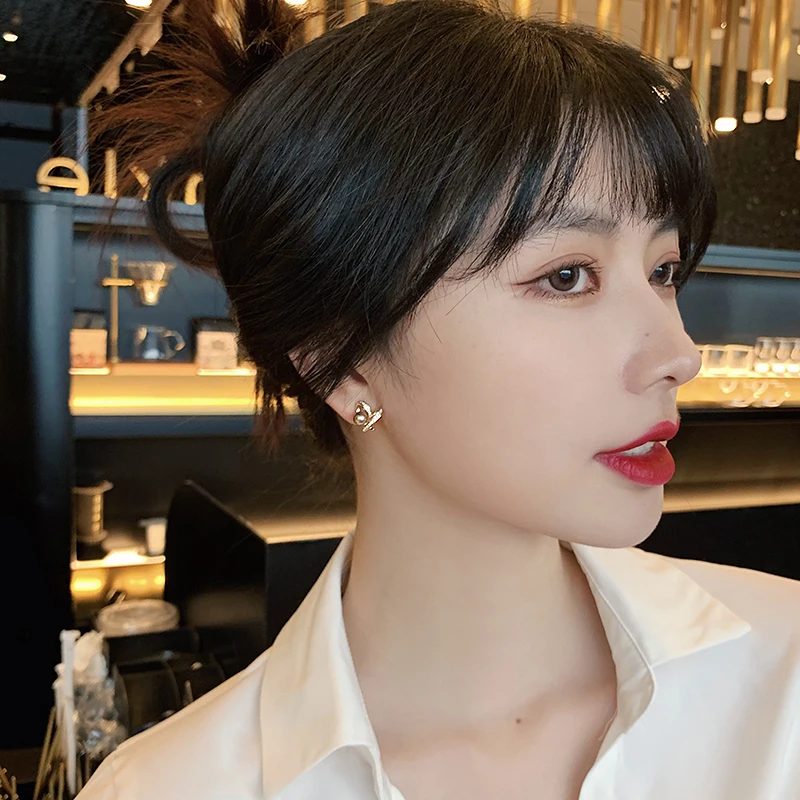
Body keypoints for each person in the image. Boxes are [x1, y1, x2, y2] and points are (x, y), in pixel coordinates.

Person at [78, 0, 800, 798]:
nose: (678, 354)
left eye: (663, 272)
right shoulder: (169, 787)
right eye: (567, 277)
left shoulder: (784, 677)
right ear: (339, 362)